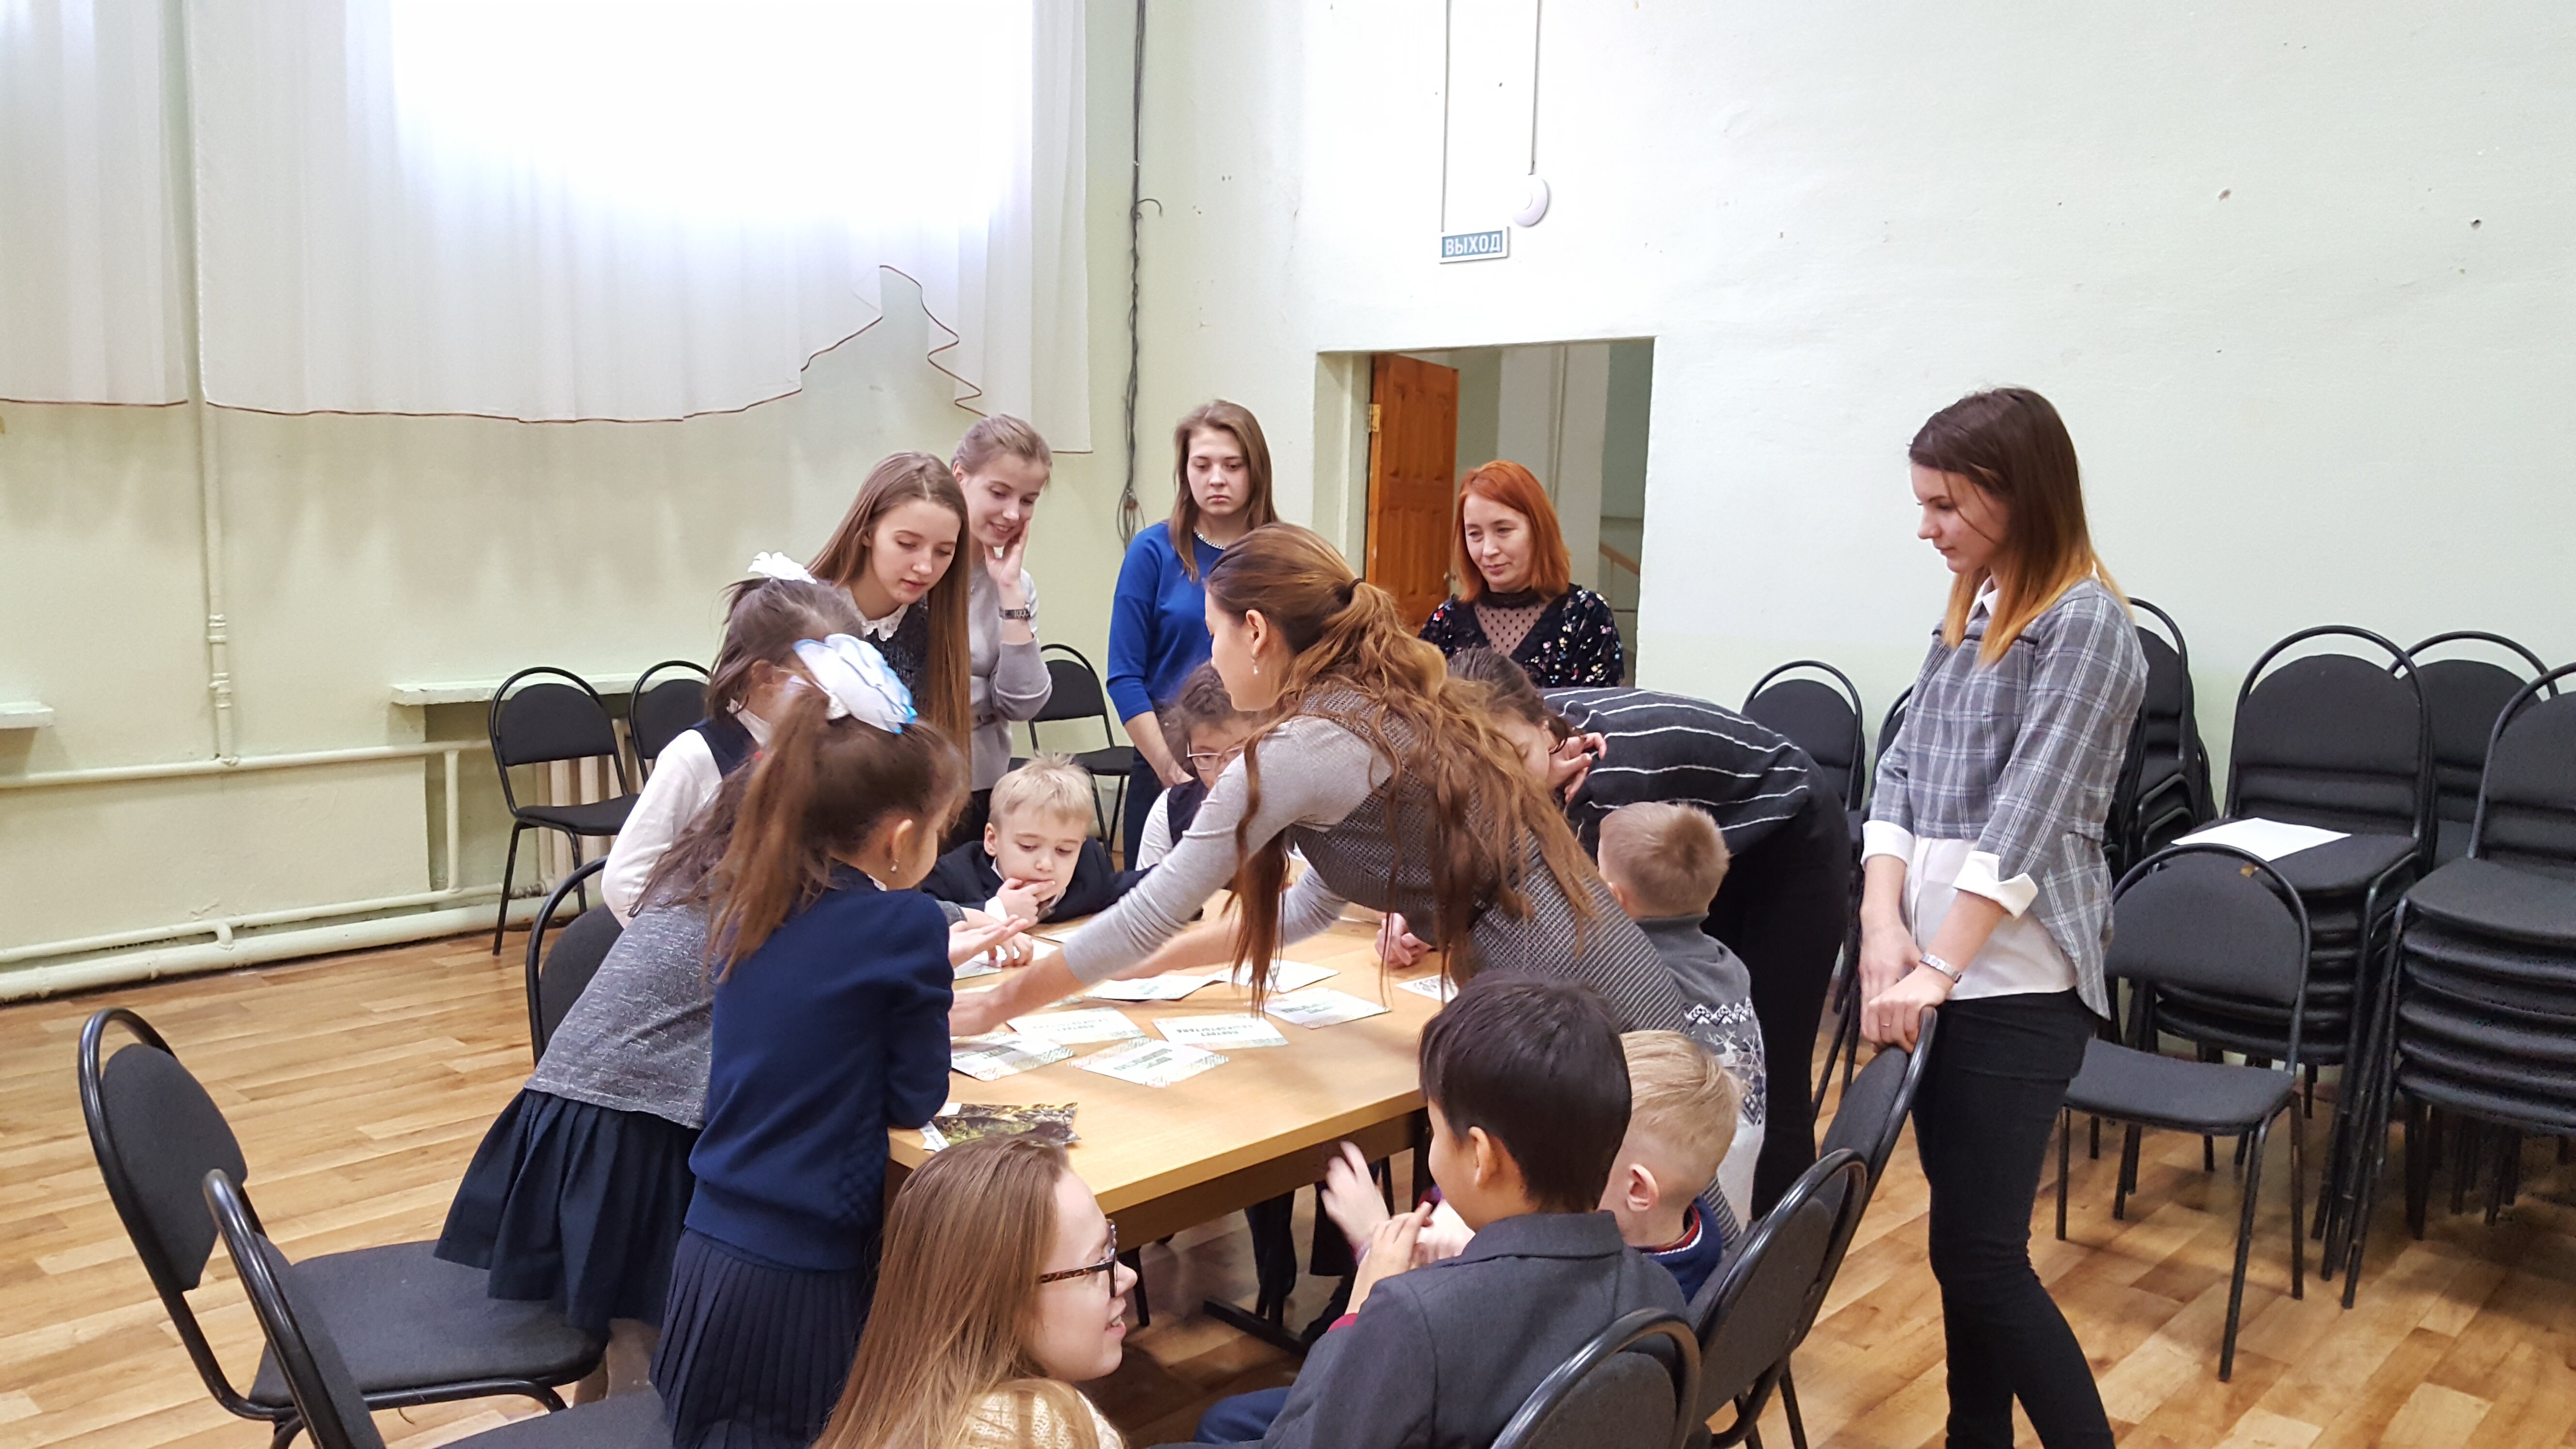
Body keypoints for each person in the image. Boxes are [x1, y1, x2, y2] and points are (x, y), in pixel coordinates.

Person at [948, 523, 1699, 1050]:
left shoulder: (1301, 749)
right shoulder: (1377, 704)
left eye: (1214, 632)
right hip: (1595, 966)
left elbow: (1152, 912)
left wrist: (996, 1006)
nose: (1211, 656)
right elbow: (1307, 909)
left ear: (1255, 631)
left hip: (1564, 999)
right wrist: (1140, 967)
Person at [1860, 387, 2144, 1449]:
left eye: (1944, 505)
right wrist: (1882, 924)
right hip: (1936, 972)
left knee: (1980, 1256)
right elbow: (1898, 771)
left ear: (2016, 494)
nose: (1925, 527)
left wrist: (1936, 966)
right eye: (1923, 503)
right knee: (1962, 1249)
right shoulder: (1971, 611)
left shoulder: (2086, 627)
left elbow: (2029, 813)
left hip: (2013, 986)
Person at [653, 636, 1021, 1449]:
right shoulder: (904, 923)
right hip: (803, 1274)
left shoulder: (757, 897)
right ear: (899, 839)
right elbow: (914, 1097)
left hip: (708, 1254)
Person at [1195, 977, 1686, 1449]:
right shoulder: (1658, 1292)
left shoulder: (1412, 1318)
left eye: (1433, 1129)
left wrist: (1359, 1307)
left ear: (1481, 1158)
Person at [1444, 646, 1848, 1214]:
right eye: (1481, 766)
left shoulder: (1604, 782)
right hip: (1708, 833)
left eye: (1516, 757)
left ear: (1543, 725)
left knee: (1767, 1069)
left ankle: (1778, 1243)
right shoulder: (1516, 743)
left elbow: (1575, 929)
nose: (1501, 779)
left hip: (1788, 834)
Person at [815, 1136, 1135, 1449]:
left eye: (1111, 1247)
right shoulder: (1050, 1429)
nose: (1128, 1277)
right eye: (1099, 1264)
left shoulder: (884, 1408)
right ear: (1004, 1297)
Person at [601, 573, 864, 925]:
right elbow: (624, 881)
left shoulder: (830, 747)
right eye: (826, 678)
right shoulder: (695, 756)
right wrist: (695, 946)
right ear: (765, 676)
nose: (840, 695)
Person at [1106, 402, 1276, 864]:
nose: (1216, 479)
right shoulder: (1152, 551)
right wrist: (1170, 770)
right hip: (1171, 756)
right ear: (1185, 472)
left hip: (1261, 758)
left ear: (1256, 470)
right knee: (1156, 898)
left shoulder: (1281, 553)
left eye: (1232, 466)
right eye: (1202, 466)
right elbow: (1124, 676)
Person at [1595, 803, 1765, 1222]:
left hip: (1672, 1203)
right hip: (1735, 1181)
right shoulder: (1729, 967)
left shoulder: (1631, 976)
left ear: (1614, 897)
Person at [808, 451, 974, 743]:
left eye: (943, 552)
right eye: (907, 544)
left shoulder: (933, 630)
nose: (925, 567)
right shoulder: (795, 612)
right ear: (867, 533)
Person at [1416, 460, 1624, 687]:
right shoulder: (1446, 622)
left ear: (1539, 530)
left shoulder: (1585, 616)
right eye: (1475, 534)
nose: (1488, 550)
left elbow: (1601, 706)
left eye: (1503, 530)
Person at [952, 416, 1057, 843]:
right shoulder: (917, 571)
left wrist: (1010, 591)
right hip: (910, 780)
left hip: (983, 783)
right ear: (960, 477)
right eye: (999, 493)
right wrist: (981, 700)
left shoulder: (1018, 585)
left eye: (1028, 500)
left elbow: (1022, 702)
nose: (1013, 513)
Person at [921, 756, 1146, 925]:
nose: (1046, 864)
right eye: (1028, 847)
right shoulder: (955, 874)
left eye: (1064, 850)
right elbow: (915, 917)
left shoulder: (1088, 866)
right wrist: (995, 911)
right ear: (992, 840)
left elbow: (1128, 887)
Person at [1133, 663, 1258, 869]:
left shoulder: (1293, 803)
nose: (1223, 772)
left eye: (1237, 752)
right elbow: (1148, 885)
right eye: (1206, 757)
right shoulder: (1170, 810)